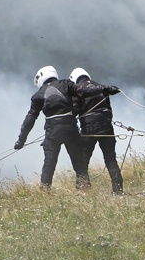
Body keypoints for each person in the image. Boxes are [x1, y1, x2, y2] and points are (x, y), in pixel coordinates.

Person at [15, 66, 116, 189]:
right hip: (70, 129)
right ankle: (84, 189)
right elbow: (83, 91)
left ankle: (45, 193)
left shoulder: (37, 95)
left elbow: (30, 119)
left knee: (49, 164)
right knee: (79, 163)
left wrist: (21, 140)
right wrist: (105, 89)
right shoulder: (65, 84)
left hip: (52, 132)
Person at [70, 67, 124, 195]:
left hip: (89, 128)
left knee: (83, 159)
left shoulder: (77, 89)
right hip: (106, 126)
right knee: (110, 158)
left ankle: (83, 189)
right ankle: (118, 190)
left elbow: (75, 110)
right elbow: (109, 110)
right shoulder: (100, 87)